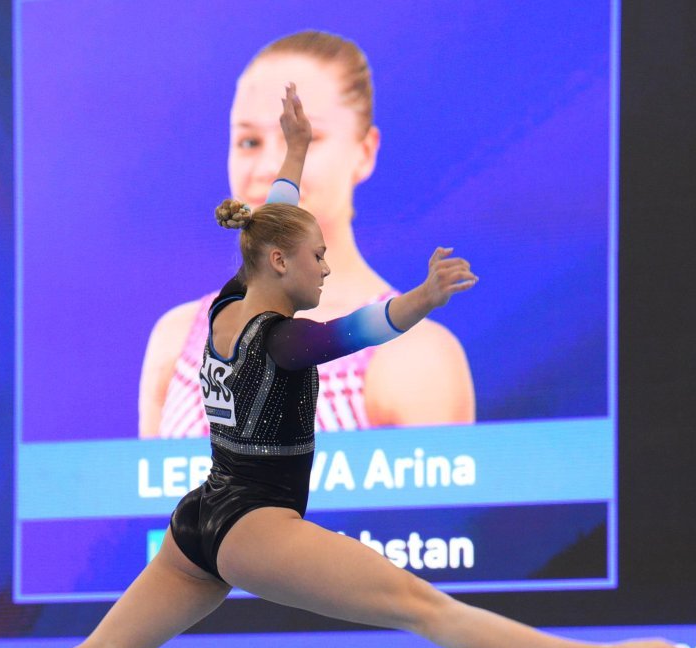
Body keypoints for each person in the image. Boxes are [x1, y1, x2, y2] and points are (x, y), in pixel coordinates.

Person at [0, 85, 684, 648]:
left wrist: (295, 155)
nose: (326, 269)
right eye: (316, 259)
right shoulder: (287, 339)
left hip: (201, 521)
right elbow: (360, 331)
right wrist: (425, 297)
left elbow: (268, 223)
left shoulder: (226, 308)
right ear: (281, 266)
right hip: (253, 521)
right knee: (424, 608)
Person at [140, 30, 474, 438]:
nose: (270, 166)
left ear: (364, 151)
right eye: (249, 141)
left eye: (303, 139)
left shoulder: (415, 359)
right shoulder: (175, 341)